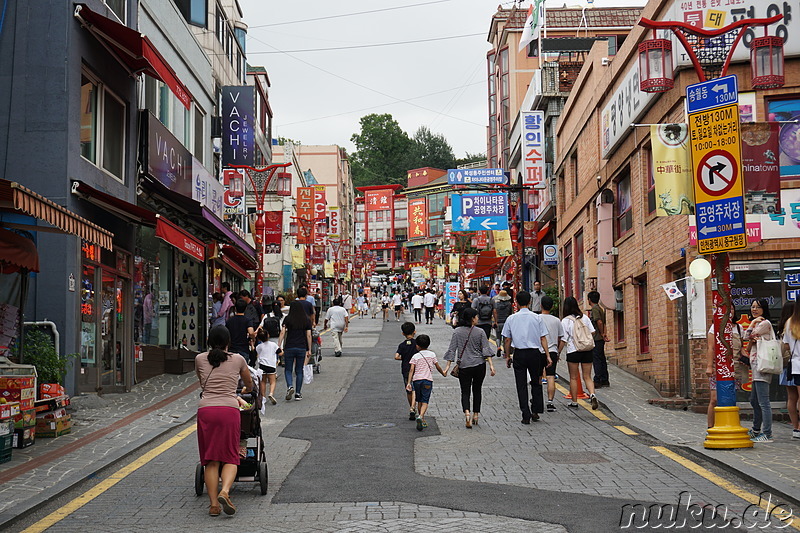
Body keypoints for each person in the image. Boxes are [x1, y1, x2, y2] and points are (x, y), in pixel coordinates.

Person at [195, 325, 253, 516]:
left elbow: (202, 381)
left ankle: (213, 505)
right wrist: (245, 390)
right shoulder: (238, 359)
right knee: (230, 456)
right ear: (228, 342)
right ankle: (225, 491)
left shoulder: (200, 358)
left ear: (209, 341)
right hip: (229, 409)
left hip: (206, 410)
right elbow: (249, 383)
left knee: (210, 459)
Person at [443, 308, 496, 428]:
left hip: (464, 366)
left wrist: (447, 367)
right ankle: (476, 414)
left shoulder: (457, 332)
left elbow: (452, 350)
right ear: (472, 319)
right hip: (479, 365)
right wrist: (491, 366)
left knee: (465, 391)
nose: (477, 318)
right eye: (476, 317)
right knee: (477, 390)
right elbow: (486, 350)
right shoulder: (481, 332)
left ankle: (467, 413)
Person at [502, 291, 550, 424]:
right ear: (530, 302)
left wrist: (507, 355)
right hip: (535, 353)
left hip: (519, 353)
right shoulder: (537, 317)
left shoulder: (511, 319)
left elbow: (507, 339)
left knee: (521, 384)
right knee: (536, 381)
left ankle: (525, 414)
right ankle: (536, 410)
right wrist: (547, 355)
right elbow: (543, 338)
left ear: (516, 302)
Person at [705, 307, 746, 430]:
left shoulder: (739, 328)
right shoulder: (715, 327)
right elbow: (711, 348)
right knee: (714, 399)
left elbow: (742, 348)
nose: (730, 312)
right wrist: (709, 366)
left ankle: (728, 424)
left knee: (731, 398)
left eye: (732, 309)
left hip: (735, 367)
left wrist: (748, 359)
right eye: (728, 310)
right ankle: (710, 427)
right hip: (719, 367)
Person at [743, 298, 776, 443]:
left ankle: (767, 433)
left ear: (764, 309)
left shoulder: (764, 323)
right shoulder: (760, 323)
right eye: (752, 307)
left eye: (758, 307)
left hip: (763, 366)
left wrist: (752, 323)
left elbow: (746, 336)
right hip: (757, 366)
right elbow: (750, 339)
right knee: (754, 400)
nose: (754, 309)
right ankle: (756, 430)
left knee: (763, 402)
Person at [561, 296, 598, 410]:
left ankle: (574, 401)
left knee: (573, 377)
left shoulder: (565, 321)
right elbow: (592, 332)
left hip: (573, 350)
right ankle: (592, 394)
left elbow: (564, 339)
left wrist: (558, 352)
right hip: (587, 349)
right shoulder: (585, 318)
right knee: (587, 376)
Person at [406, 334, 446, 431]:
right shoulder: (432, 354)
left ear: (417, 345)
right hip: (427, 380)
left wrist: (408, 382)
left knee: (419, 400)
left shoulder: (415, 356)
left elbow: (411, 370)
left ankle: (421, 418)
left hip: (416, 380)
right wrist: (443, 373)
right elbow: (437, 366)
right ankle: (421, 416)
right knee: (425, 401)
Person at [278, 301, 312, 401]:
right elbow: (309, 335)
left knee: (288, 369)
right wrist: (309, 349)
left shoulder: (288, 318)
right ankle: (298, 393)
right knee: (299, 370)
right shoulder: (306, 319)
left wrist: (279, 345)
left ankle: (290, 386)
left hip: (289, 347)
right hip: (301, 347)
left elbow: (282, 332)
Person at [778, 301, 800, 439]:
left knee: (793, 398)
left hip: (795, 364)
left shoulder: (789, 322)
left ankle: (796, 428)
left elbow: (786, 346)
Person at [540, 295, 566, 412]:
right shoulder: (556, 320)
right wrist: (558, 352)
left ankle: (537, 400)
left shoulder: (537, 318)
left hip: (539, 351)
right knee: (551, 377)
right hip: (553, 351)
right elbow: (562, 338)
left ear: (541, 305)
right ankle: (550, 402)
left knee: (538, 377)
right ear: (552, 306)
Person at [394, 322, 418, 420]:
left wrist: (404, 358)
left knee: (409, 389)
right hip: (417, 369)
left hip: (406, 369)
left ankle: (411, 407)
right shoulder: (417, 344)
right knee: (416, 389)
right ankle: (413, 407)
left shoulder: (402, 345)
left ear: (403, 333)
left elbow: (396, 356)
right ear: (414, 332)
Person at [588, 291, 610, 388]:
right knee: (602, 358)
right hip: (600, 338)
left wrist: (601, 333)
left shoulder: (595, 309)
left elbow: (599, 322)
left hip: (596, 338)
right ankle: (605, 379)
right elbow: (604, 323)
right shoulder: (600, 309)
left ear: (589, 299)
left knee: (596, 359)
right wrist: (604, 334)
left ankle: (598, 380)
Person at [255, 329, 278, 410]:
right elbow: (280, 352)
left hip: (262, 365)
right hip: (271, 365)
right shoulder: (273, 344)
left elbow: (257, 353)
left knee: (263, 382)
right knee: (272, 381)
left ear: (259, 338)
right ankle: (271, 393)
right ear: (268, 335)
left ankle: (263, 397)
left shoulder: (259, 346)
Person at [225, 299, 254, 363]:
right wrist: (252, 339)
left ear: (235, 308)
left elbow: (226, 335)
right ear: (246, 308)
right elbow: (251, 332)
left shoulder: (229, 321)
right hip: (243, 349)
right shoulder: (247, 320)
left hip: (232, 349)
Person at [493, 289, 513, 358]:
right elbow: (510, 313)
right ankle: (505, 352)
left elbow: (494, 312)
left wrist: (495, 321)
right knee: (506, 338)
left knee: (498, 336)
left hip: (498, 322)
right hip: (506, 322)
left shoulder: (496, 304)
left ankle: (498, 347)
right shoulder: (509, 304)